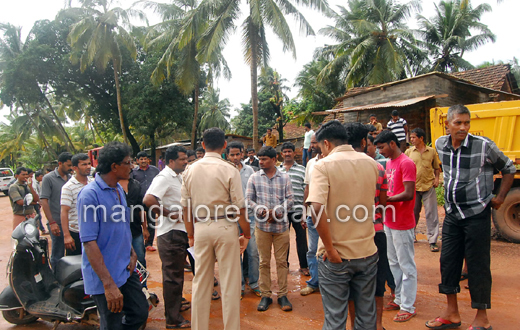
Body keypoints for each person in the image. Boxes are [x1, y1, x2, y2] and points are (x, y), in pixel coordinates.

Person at [426, 104, 516, 330]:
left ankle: (482, 319)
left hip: (477, 214)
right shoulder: (440, 145)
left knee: (478, 266)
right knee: (448, 263)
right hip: (453, 214)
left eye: (467, 123)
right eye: (458, 123)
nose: (463, 127)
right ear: (448, 125)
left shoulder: (484, 146)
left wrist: (501, 197)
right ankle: (451, 313)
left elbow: (509, 168)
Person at [306, 120, 378, 330]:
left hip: (336, 256)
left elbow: (316, 209)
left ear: (326, 143)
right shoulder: (370, 162)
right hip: (367, 251)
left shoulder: (323, 165)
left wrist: (329, 248)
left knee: (335, 319)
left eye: (319, 147)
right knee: (366, 315)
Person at [181, 127, 250, 330]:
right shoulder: (229, 169)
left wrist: (190, 235)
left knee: (201, 282)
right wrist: (246, 233)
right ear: (224, 146)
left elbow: (186, 208)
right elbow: (240, 207)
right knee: (230, 282)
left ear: (203, 145)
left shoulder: (190, 170)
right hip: (226, 226)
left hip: (201, 227)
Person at [77, 142, 149, 330]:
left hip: (125, 268)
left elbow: (123, 226)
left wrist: (132, 252)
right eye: (127, 162)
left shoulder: (118, 189)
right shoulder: (89, 195)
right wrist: (108, 285)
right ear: (114, 166)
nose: (132, 166)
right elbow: (89, 242)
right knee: (112, 323)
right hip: (105, 276)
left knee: (140, 311)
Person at [345, 122, 389, 330]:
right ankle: (378, 324)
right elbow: (383, 202)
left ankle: (354, 325)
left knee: (353, 283)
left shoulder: (333, 166)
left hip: (347, 233)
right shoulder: (378, 167)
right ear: (364, 141)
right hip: (375, 230)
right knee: (378, 280)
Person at [144, 145, 191, 329]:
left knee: (177, 274)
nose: (185, 162)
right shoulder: (163, 177)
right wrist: (168, 214)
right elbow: (148, 200)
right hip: (170, 234)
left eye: (186, 158)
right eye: (182, 159)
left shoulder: (177, 176)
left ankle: (177, 304)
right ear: (171, 161)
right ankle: (172, 319)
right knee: (173, 276)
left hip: (179, 232)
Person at [374, 130, 418, 322]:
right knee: (393, 263)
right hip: (389, 221)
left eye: (381, 147)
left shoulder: (407, 163)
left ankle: (408, 306)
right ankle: (399, 298)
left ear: (392, 144)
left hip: (402, 221)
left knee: (406, 265)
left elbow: (409, 193)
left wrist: (387, 200)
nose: (380, 151)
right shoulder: (389, 163)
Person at [247, 146, 294, 312]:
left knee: (282, 262)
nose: (261, 161)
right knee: (263, 262)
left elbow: (290, 199)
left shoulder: (285, 178)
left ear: (274, 160)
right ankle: (265, 295)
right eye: (260, 159)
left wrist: (278, 212)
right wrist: (261, 210)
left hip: (281, 227)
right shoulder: (254, 177)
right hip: (262, 227)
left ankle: (282, 295)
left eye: (264, 159)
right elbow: (249, 200)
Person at [227, 142, 260, 298]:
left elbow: (255, 192)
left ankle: (254, 283)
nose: (235, 157)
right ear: (227, 155)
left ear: (242, 154)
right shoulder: (224, 171)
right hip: (231, 218)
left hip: (250, 216)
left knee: (253, 251)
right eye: (232, 154)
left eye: (237, 154)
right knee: (235, 254)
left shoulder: (250, 170)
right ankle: (239, 286)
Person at [405, 128, 441, 251]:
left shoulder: (431, 151)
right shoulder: (409, 152)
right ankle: (411, 236)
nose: (412, 140)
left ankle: (432, 240)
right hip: (413, 187)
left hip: (428, 186)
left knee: (431, 214)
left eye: (414, 137)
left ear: (421, 138)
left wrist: (436, 179)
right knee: (413, 213)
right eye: (411, 138)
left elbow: (436, 168)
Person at [279, 142, 308, 276]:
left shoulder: (302, 170)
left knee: (301, 238)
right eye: (285, 152)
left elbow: (306, 190)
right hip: (282, 212)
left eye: (290, 151)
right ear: (281, 154)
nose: (287, 154)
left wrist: (304, 211)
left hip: (298, 211)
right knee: (283, 240)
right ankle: (284, 266)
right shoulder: (277, 170)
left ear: (294, 153)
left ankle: (304, 265)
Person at [40, 152, 73, 271]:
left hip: (71, 223)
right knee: (58, 253)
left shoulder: (71, 178)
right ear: (60, 164)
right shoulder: (48, 178)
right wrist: (52, 222)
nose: (71, 168)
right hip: (57, 222)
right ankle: (57, 278)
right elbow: (44, 201)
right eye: (68, 165)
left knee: (72, 253)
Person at [300, 133, 322, 296]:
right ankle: (314, 282)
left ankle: (330, 282)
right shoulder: (311, 163)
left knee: (330, 248)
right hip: (312, 213)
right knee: (312, 249)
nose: (311, 145)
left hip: (330, 213)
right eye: (311, 143)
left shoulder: (332, 163)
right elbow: (307, 188)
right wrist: (304, 212)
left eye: (314, 142)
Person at [60, 153, 93, 256]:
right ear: (75, 168)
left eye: (89, 164)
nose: (88, 167)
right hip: (76, 233)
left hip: (93, 232)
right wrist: (66, 236)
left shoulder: (93, 183)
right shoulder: (68, 187)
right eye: (84, 164)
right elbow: (64, 212)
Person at [119, 176, 149, 289]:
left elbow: (141, 208)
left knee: (140, 259)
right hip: (120, 232)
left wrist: (144, 228)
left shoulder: (136, 185)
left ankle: (143, 287)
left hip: (136, 230)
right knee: (123, 260)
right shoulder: (112, 186)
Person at [132, 151, 160, 252]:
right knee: (139, 221)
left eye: (145, 159)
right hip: (138, 201)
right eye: (141, 159)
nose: (143, 161)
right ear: (137, 161)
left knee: (152, 221)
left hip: (151, 200)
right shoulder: (133, 172)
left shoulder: (155, 170)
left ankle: (149, 243)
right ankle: (139, 242)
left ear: (148, 160)